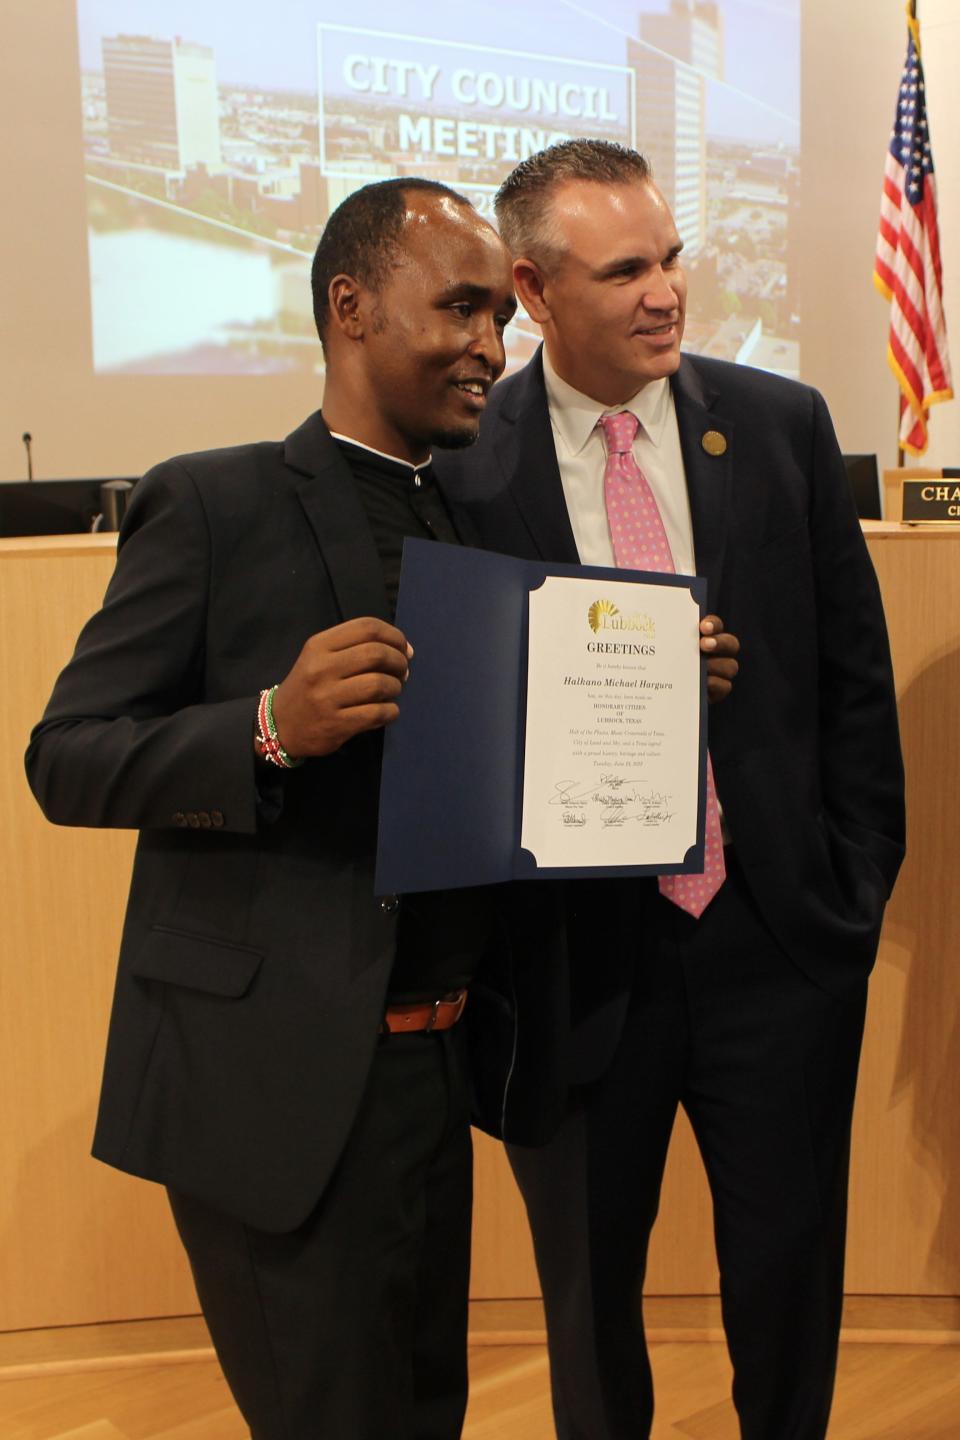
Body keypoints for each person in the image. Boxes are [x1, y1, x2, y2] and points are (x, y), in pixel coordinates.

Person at [25, 178, 518, 1440]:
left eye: (502, 317)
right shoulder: (213, 501)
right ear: (348, 305)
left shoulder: (481, 522)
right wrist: (264, 730)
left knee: (424, 1418)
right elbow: (66, 757)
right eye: (461, 306)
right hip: (277, 1091)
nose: (489, 345)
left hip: (437, 1068)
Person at [438, 140, 905, 1440]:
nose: (666, 291)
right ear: (531, 288)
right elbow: (453, 723)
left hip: (774, 943)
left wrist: (849, 900)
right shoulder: (461, 471)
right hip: (577, 962)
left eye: (674, 256)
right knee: (589, 1310)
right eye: (625, 268)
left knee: (790, 1285)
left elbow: (851, 680)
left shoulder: (778, 424)